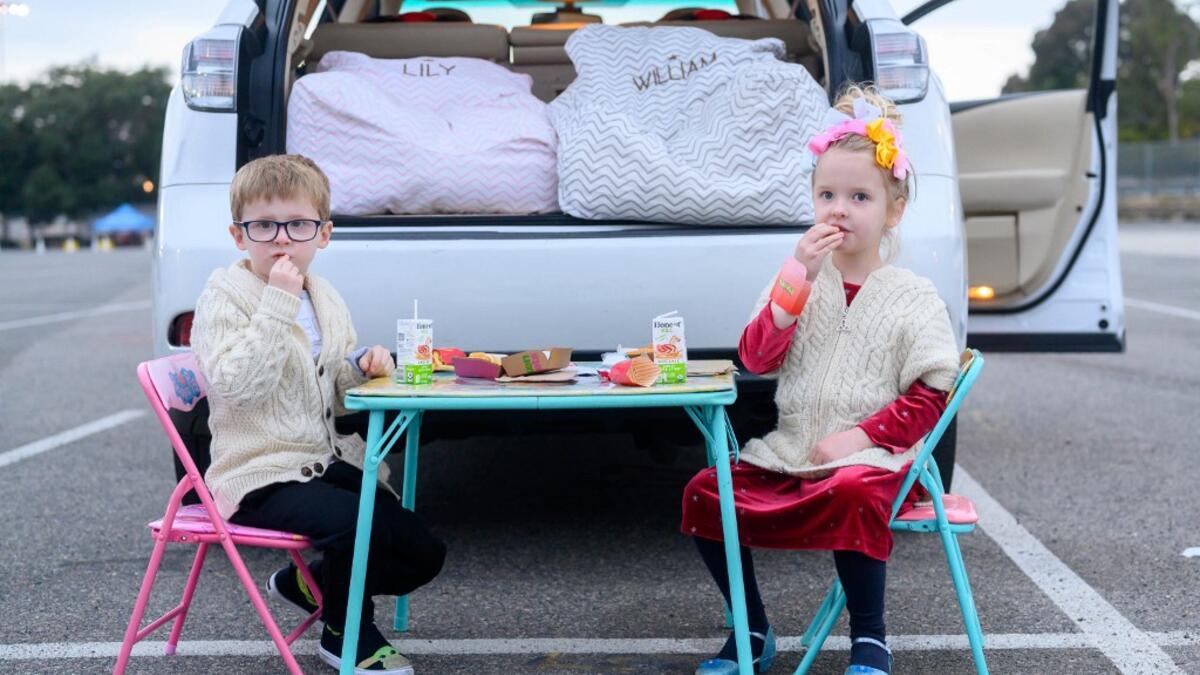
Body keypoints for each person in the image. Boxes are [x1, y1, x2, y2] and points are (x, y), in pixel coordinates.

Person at [681, 85, 960, 675]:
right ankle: (751, 629)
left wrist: (858, 440)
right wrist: (796, 279)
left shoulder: (914, 298)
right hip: (792, 452)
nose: (840, 208)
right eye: (827, 194)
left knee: (855, 491)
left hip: (877, 463)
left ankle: (870, 639)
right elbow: (756, 359)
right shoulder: (798, 281)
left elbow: (932, 396)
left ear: (894, 210)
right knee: (707, 492)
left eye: (859, 196)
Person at [191, 154, 445, 675]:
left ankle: (306, 583)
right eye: (264, 226)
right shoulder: (225, 297)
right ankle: (344, 634)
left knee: (424, 550)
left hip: (319, 460)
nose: (281, 239)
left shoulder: (323, 296)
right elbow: (237, 387)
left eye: (298, 225)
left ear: (323, 234)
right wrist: (276, 303)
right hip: (258, 473)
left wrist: (362, 365)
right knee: (357, 525)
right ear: (240, 236)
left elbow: (331, 392)